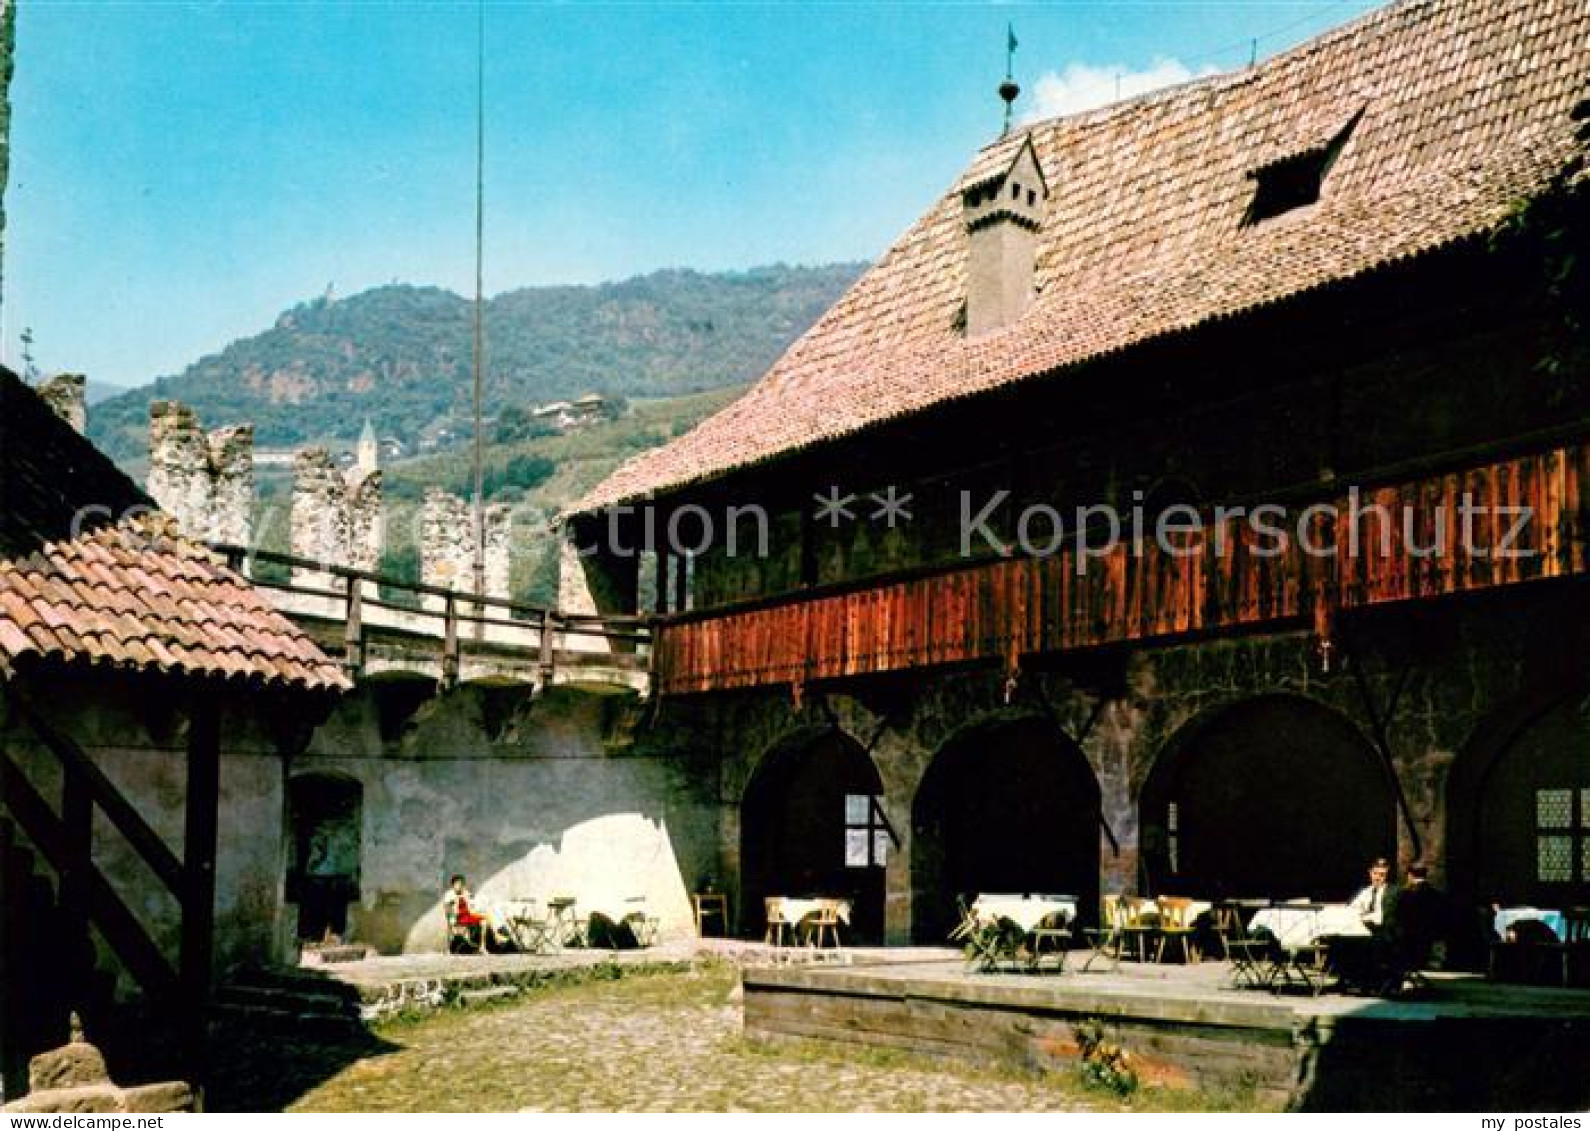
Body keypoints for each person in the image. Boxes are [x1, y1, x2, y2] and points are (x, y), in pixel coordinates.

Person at [444, 874, 495, 952]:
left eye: (461, 884)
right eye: (457, 884)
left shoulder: (465, 892)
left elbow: (472, 902)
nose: (459, 886)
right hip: (456, 916)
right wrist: (454, 904)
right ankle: (448, 948)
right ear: (453, 885)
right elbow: (447, 908)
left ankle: (482, 946)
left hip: (468, 915)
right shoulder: (449, 894)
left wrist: (471, 900)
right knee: (449, 924)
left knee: (484, 921)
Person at [1348, 857, 1399, 933]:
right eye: (1375, 873)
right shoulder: (1365, 891)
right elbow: (1352, 909)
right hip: (1362, 929)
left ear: (1387, 875)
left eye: (1382, 875)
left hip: (1381, 931)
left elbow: (1383, 917)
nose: (1377, 878)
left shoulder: (1392, 892)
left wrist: (1364, 917)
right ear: (1370, 872)